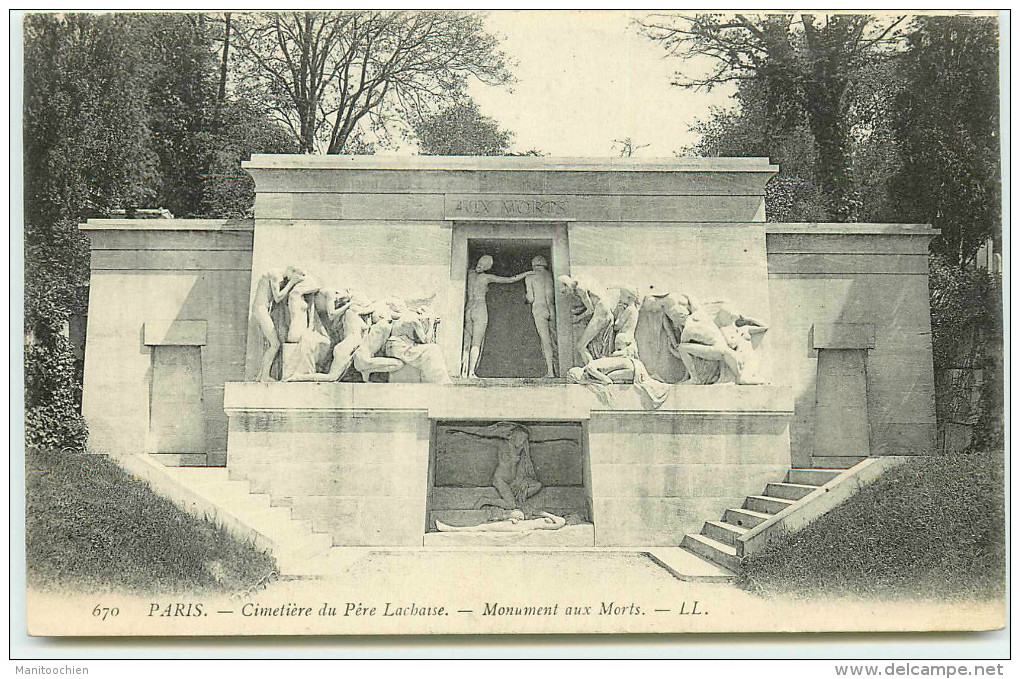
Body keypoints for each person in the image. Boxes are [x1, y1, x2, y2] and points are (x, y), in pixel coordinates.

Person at [462, 255, 532, 379]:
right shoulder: (486, 277)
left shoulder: (469, 275)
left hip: (469, 307)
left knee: (467, 339)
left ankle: (463, 372)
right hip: (479, 307)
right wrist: (528, 273)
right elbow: (510, 279)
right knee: (476, 342)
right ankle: (471, 372)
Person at [251, 266, 304, 382]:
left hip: (263, 310)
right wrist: (292, 283)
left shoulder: (277, 276)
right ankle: (264, 376)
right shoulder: (275, 274)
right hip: (261, 310)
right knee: (275, 344)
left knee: (272, 343)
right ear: (292, 272)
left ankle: (261, 375)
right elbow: (278, 297)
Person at [558, 275, 615, 365]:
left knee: (581, 346)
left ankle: (592, 370)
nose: (566, 294)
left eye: (564, 291)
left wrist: (578, 317)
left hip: (601, 313)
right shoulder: (579, 282)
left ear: (566, 285)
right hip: (602, 311)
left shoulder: (579, 289)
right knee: (594, 346)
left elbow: (590, 310)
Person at [524, 255, 558, 378]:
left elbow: (531, 298)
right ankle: (558, 369)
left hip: (538, 308)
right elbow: (550, 295)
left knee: (545, 341)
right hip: (551, 308)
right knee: (554, 340)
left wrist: (526, 299)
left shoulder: (530, 277)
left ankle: (550, 371)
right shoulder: (548, 275)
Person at [352, 311, 405, 382]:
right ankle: (367, 370)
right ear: (382, 316)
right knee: (399, 364)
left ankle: (366, 371)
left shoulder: (374, 327)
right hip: (364, 359)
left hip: (360, 358)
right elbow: (384, 347)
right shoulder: (384, 325)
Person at [435, 511, 566, 533]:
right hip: (516, 525)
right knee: (484, 527)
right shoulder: (545, 521)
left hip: (516, 528)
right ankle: (451, 528)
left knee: (483, 528)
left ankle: (451, 529)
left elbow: (561, 522)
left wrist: (545, 514)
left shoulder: (547, 523)